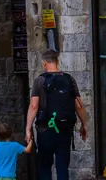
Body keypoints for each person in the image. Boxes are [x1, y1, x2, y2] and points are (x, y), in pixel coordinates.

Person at [25, 50, 88, 180]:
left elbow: (33, 106)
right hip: (65, 128)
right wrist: (84, 124)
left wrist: (28, 128)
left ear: (44, 63)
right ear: (57, 61)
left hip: (45, 129)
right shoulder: (69, 79)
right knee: (62, 166)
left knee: (44, 166)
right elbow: (78, 105)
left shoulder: (39, 81)